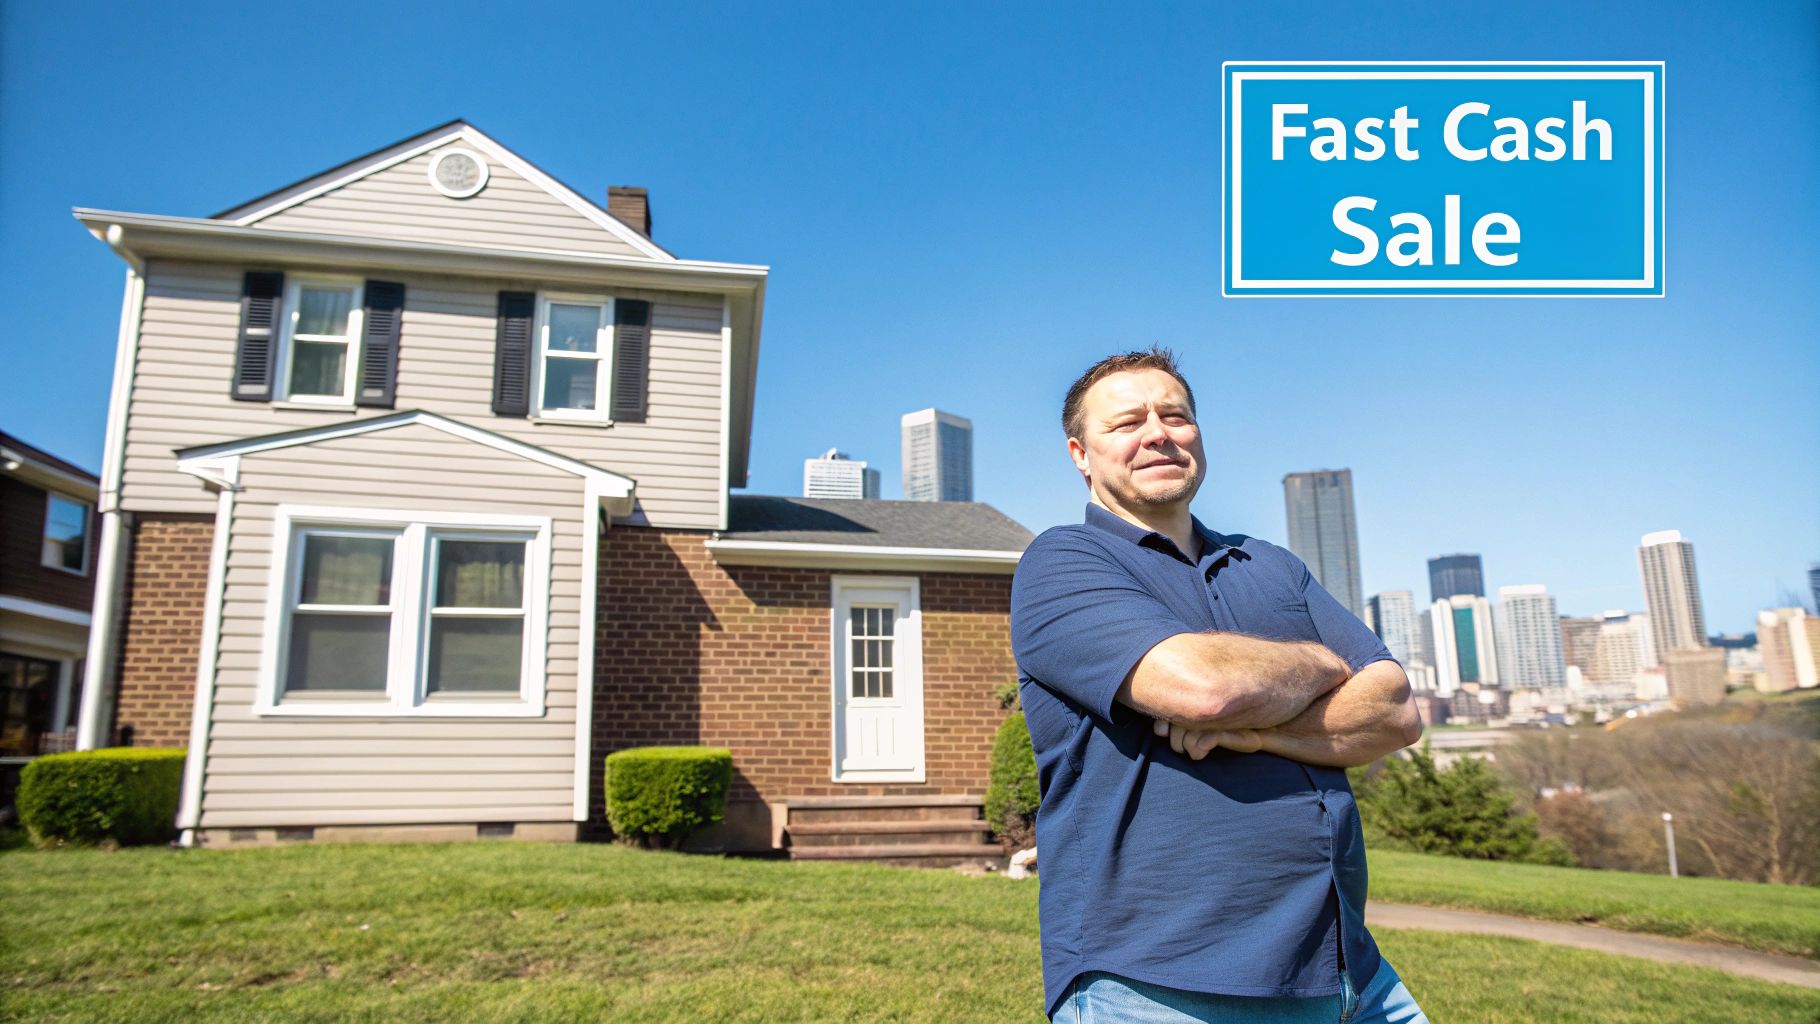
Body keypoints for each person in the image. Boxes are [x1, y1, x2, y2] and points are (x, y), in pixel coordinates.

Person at [1010, 347, 1429, 1023]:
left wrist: (1251, 728)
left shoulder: (1270, 565)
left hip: (1355, 976)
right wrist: (1326, 666)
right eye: (1127, 423)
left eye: (1175, 415)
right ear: (1080, 454)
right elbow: (1203, 690)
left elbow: (1395, 712)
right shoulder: (1062, 563)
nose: (1157, 432)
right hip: (1164, 984)